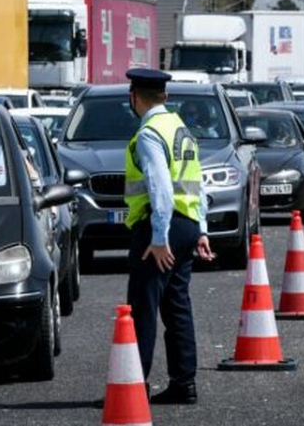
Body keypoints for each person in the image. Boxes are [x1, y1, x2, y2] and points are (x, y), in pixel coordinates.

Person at [123, 68, 214, 406]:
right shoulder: (180, 128)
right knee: (177, 307)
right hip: (188, 224)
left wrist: (158, 237)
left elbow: (160, 187)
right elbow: (197, 182)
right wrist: (201, 229)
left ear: (134, 97)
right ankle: (184, 383)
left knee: (143, 307)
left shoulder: (149, 133)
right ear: (165, 96)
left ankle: (132, 386)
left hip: (159, 227)